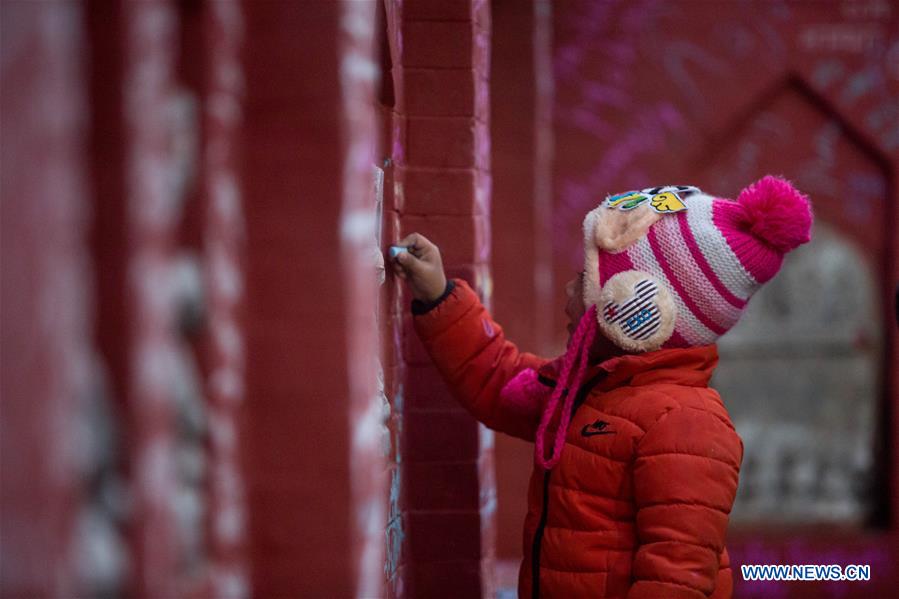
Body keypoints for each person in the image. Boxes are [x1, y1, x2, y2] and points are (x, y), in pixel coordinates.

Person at [391, 176, 812, 599]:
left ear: (638, 308)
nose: (570, 291)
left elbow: (675, 582)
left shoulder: (687, 425)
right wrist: (438, 295)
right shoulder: (594, 387)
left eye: (585, 278)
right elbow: (501, 383)